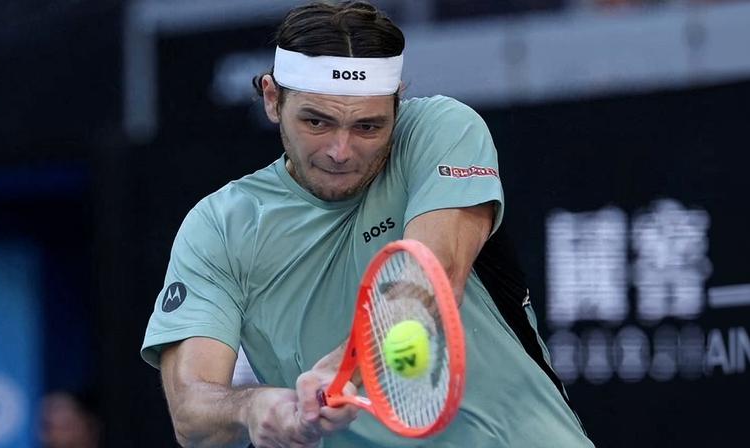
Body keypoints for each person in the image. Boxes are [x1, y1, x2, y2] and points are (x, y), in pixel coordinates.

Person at [141, 1, 595, 447]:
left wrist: (339, 371)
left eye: (368, 127)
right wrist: (253, 407)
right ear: (272, 99)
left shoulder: (442, 130)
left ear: (398, 104)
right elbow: (192, 413)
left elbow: (431, 280)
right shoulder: (219, 225)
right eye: (317, 122)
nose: (341, 151)